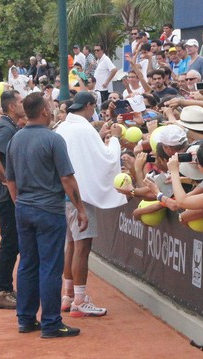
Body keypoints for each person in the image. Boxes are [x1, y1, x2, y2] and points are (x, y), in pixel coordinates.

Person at [6, 92, 87, 338]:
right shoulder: (53, 139)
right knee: (50, 268)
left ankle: (26, 320)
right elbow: (67, 179)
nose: (52, 111)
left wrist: (20, 203)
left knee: (27, 264)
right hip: (49, 211)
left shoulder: (15, 139)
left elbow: (10, 180)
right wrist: (81, 209)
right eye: (50, 107)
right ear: (43, 111)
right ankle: (51, 323)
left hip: (23, 209)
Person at [56, 91, 126, 318]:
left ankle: (67, 296)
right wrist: (114, 138)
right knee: (82, 248)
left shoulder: (64, 126)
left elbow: (83, 151)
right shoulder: (83, 128)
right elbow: (106, 159)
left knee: (71, 245)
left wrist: (100, 133)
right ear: (89, 106)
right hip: (79, 199)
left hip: (63, 197)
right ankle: (79, 300)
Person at [0, 91, 25, 308]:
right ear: (11, 107)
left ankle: (5, 289)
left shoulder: (10, 125)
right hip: (5, 196)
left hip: (6, 194)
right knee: (10, 243)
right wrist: (7, 180)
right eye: (19, 101)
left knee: (13, 242)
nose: (23, 104)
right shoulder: (6, 127)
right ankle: (1, 292)